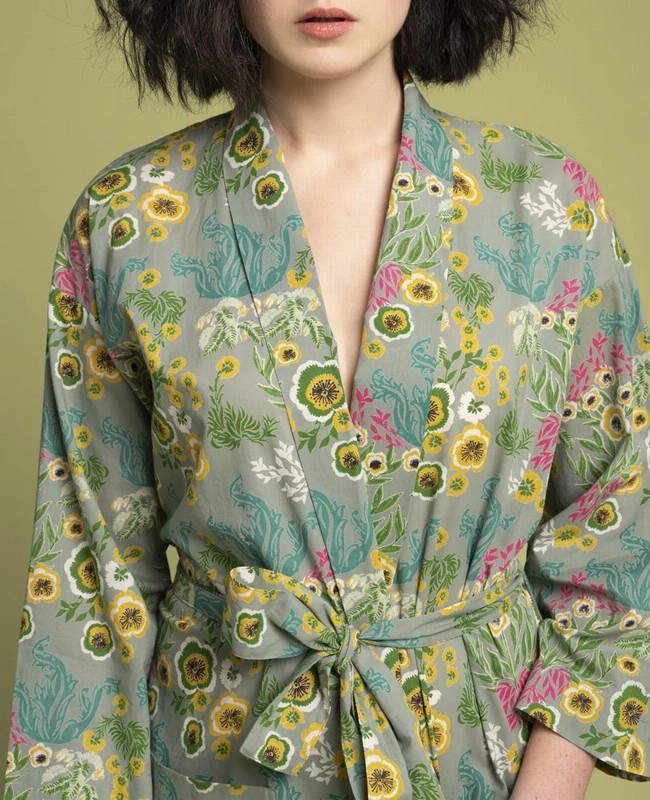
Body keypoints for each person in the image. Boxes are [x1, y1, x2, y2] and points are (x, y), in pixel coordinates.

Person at [3, 1, 649, 799]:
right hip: (219, 764)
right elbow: (90, 582)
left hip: (480, 766)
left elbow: (623, 541)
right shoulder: (129, 220)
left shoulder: (547, 207)